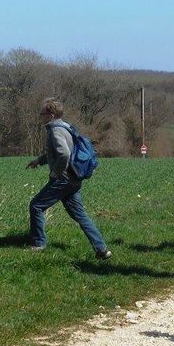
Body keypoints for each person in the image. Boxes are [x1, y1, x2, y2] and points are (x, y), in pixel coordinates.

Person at [26, 98, 111, 259]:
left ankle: (38, 244)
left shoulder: (55, 130)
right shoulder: (65, 127)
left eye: (42, 113)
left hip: (63, 179)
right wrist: (39, 160)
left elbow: (64, 153)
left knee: (36, 206)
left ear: (51, 115)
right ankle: (101, 249)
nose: (40, 116)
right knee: (80, 215)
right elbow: (57, 153)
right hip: (73, 179)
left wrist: (56, 173)